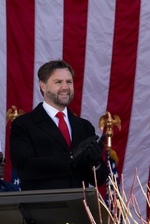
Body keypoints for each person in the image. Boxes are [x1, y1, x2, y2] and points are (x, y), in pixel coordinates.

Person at [9, 60, 108, 190]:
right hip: (44, 207)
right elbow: (25, 168)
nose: (65, 87)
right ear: (43, 86)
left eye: (69, 82)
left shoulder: (84, 126)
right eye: (58, 82)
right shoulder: (24, 125)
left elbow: (98, 180)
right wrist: (71, 158)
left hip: (79, 207)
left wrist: (96, 163)